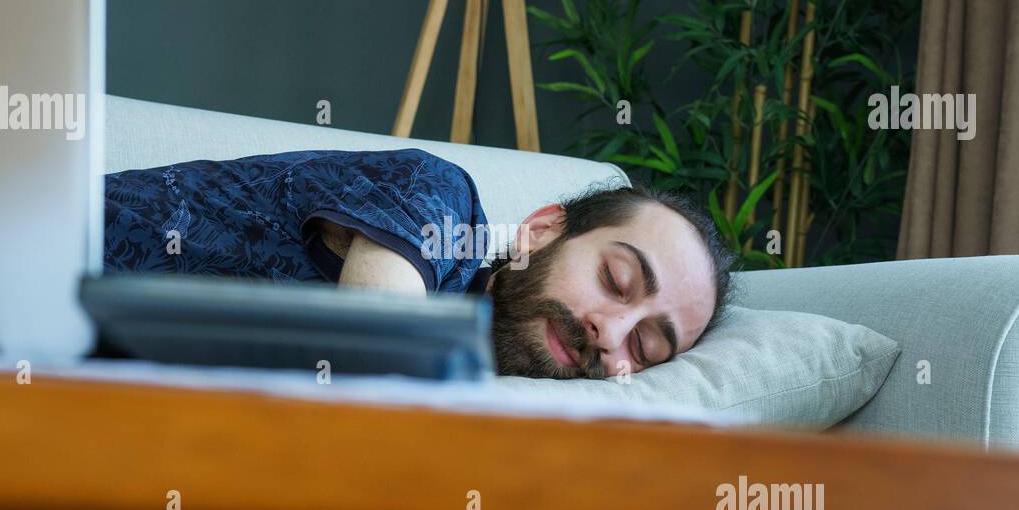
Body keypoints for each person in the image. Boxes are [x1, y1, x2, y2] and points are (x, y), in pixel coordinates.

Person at [104, 147, 734, 380]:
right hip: (39, 257)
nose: (611, 336)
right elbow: (372, 350)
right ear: (540, 232)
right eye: (616, 281)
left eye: (648, 347)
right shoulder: (442, 204)